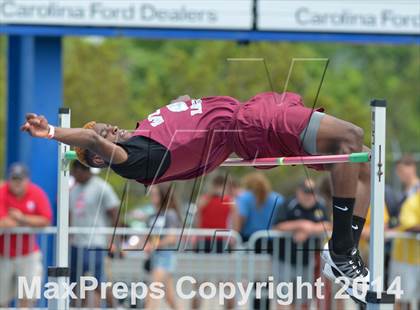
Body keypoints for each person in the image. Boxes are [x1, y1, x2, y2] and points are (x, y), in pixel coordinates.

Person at [21, 91, 372, 301]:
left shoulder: (145, 128)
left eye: (106, 125)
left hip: (252, 115)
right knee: (350, 137)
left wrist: (181, 105)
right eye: (104, 134)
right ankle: (341, 251)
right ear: (100, 157)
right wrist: (51, 132)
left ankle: (343, 252)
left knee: (364, 162)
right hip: (250, 124)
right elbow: (94, 142)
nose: (109, 128)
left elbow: (182, 108)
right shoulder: (135, 161)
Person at [69, 160, 120, 308]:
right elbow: (71, 214)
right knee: (75, 282)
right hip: (77, 243)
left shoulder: (101, 187)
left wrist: (115, 241)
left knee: (99, 281)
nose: (73, 175)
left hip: (96, 243)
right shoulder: (74, 189)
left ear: (83, 170)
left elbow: (114, 213)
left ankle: (115, 306)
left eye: (75, 171)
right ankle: (78, 307)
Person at [0, 163, 52, 308]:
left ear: (27, 180)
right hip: (3, 255)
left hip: (29, 255)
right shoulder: (2, 191)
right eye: (14, 179)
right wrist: (30, 221)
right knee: (1, 300)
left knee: (27, 299)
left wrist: (21, 218)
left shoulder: (36, 192)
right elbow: (3, 222)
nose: (17, 183)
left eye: (20, 179)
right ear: (9, 179)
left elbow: (46, 220)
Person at [273, 179, 331, 309]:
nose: (309, 196)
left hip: (306, 261)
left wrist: (309, 229)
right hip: (285, 259)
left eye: (312, 192)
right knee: (283, 297)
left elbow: (327, 225)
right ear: (298, 192)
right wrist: (300, 225)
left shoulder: (320, 206)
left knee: (303, 299)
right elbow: (277, 226)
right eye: (306, 192)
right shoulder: (287, 204)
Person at [192, 174, 236, 309]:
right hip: (218, 242)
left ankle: (196, 307)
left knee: (201, 280)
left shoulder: (204, 200)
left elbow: (196, 222)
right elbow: (234, 224)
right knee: (225, 281)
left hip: (207, 241)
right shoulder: (229, 201)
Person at [144, 183, 181, 310]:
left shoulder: (170, 214)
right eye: (152, 194)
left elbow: (172, 237)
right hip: (156, 257)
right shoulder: (152, 215)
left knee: (153, 291)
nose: (152, 197)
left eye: (155, 194)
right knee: (169, 297)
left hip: (166, 256)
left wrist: (154, 244)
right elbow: (149, 237)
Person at [390, 155, 420, 310]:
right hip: (401, 252)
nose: (401, 174)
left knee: (407, 298)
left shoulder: (417, 191)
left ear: (412, 167)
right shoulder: (404, 192)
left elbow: (409, 223)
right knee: (399, 297)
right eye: (399, 171)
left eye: (403, 169)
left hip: (413, 256)